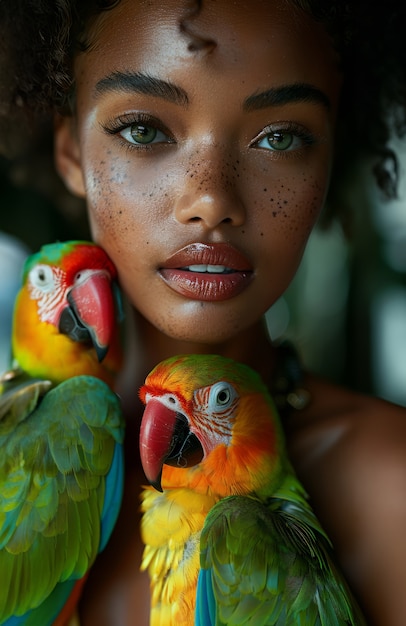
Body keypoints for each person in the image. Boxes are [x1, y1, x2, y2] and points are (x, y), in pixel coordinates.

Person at [1, 1, 406, 624]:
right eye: (143, 129)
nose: (211, 199)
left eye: (281, 137)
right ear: (72, 154)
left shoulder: (392, 488)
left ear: (327, 162)